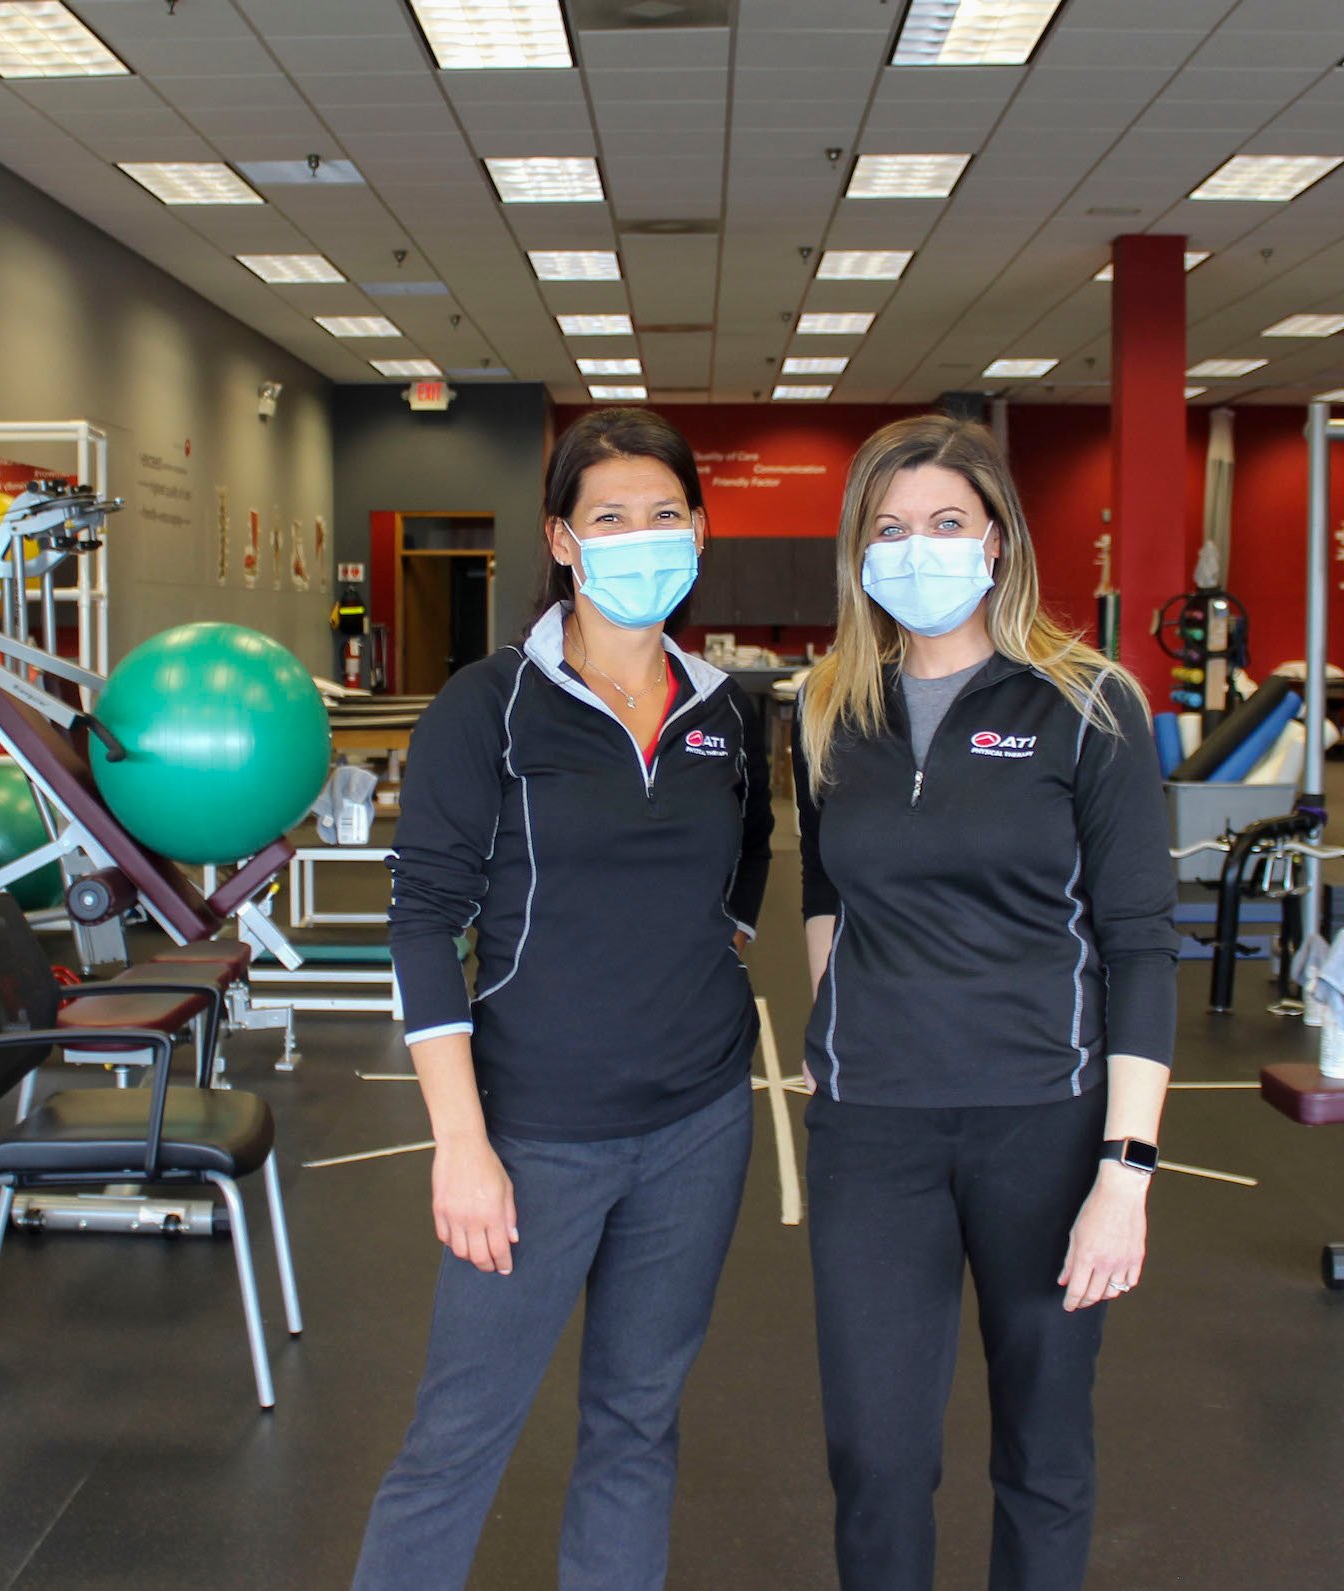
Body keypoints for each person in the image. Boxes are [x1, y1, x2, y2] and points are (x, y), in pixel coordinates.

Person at [355, 407, 773, 1590]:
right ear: (560, 537)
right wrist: (460, 1145)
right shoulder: (484, 707)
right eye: (608, 517)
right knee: (457, 1440)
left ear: (698, 526)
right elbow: (424, 921)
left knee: (636, 1426)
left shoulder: (726, 709)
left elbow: (751, 846)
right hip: (533, 1132)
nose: (639, 537)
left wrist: (706, 949)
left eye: (663, 514)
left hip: (698, 1122)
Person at [793, 414, 1178, 1591]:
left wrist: (1125, 1172)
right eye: (891, 528)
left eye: (946, 524)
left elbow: (1141, 945)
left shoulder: (1089, 703)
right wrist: (839, 1029)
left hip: (1042, 1127)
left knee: (1043, 1448)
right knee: (874, 1455)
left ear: (997, 543)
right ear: (859, 551)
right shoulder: (825, 708)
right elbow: (821, 895)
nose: (919, 549)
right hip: (873, 1133)